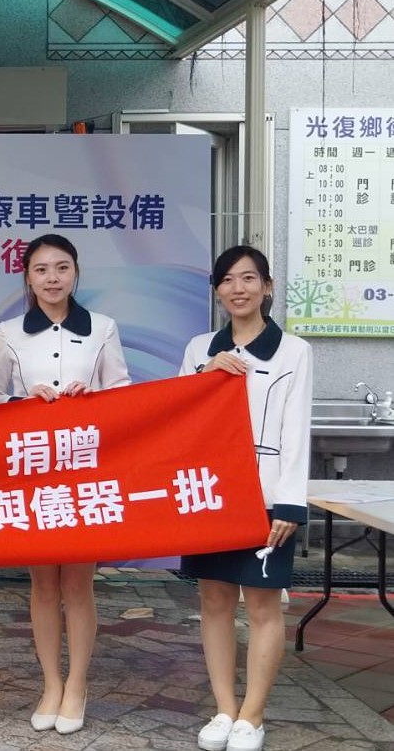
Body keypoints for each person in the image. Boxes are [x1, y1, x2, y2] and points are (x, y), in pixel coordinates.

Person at [0, 233, 130, 736]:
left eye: (61, 268)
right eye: (42, 269)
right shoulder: (8, 333)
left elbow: (124, 395)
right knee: (43, 584)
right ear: (28, 278)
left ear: (76, 273)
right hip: (33, 473)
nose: (52, 278)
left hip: (84, 472)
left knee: (78, 583)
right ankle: (51, 683)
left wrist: (94, 398)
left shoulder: (102, 328)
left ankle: (78, 684)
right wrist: (23, 402)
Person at [179, 246, 311, 751]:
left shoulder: (293, 351)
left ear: (267, 286)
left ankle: (252, 716)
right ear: (217, 291)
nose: (239, 288)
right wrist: (205, 374)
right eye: (229, 280)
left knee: (261, 603)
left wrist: (290, 503)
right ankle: (223, 709)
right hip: (210, 493)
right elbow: (178, 416)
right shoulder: (199, 348)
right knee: (213, 600)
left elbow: (296, 429)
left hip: (266, 494)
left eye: (249, 278)